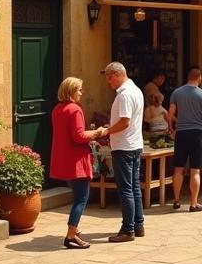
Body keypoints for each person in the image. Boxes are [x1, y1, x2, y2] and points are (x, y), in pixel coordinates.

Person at [50, 77, 108, 249]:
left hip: (63, 159)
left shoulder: (57, 109)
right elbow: (79, 136)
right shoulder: (75, 109)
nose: (81, 93)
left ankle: (75, 230)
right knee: (81, 198)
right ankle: (70, 236)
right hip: (76, 160)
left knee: (78, 196)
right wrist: (97, 133)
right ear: (71, 91)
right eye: (79, 90)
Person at [103, 62, 146, 243]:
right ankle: (138, 224)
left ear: (118, 74)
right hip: (134, 145)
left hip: (124, 146)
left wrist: (107, 131)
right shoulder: (135, 90)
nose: (108, 82)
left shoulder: (125, 95)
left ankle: (128, 229)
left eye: (110, 78)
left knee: (126, 189)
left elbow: (124, 122)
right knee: (134, 187)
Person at [167, 67, 202, 212]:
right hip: (197, 133)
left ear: (188, 77)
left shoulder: (177, 92)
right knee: (195, 171)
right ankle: (193, 204)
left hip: (181, 133)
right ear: (199, 78)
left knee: (178, 169)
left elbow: (170, 114)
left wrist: (171, 128)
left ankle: (176, 200)